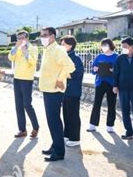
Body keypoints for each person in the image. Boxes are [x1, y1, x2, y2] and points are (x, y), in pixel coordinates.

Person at [39, 27, 75, 161]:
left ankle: (59, 152)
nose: (42, 37)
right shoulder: (48, 49)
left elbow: (70, 66)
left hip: (54, 90)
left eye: (45, 35)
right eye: (41, 35)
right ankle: (55, 146)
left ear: (53, 36)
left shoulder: (58, 50)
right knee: (51, 120)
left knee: (54, 121)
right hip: (48, 89)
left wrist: (60, 79)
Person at [8, 30, 40, 139]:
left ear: (27, 38)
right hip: (17, 78)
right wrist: (16, 48)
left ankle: (36, 127)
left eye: (22, 37)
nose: (20, 40)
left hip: (27, 79)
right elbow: (10, 57)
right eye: (18, 38)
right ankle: (22, 130)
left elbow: (32, 62)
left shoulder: (33, 48)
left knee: (27, 104)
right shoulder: (16, 49)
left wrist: (25, 52)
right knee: (18, 105)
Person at [87, 38, 118, 133]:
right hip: (100, 83)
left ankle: (110, 125)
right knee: (97, 103)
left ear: (110, 45)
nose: (104, 47)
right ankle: (92, 125)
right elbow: (92, 70)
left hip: (112, 84)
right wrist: (95, 69)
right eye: (102, 45)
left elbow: (120, 71)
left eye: (106, 45)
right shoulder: (99, 56)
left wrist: (114, 71)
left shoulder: (117, 57)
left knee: (112, 104)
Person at [60, 35, 84, 147]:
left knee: (73, 114)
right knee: (66, 113)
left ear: (70, 45)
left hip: (73, 91)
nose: (61, 46)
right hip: (64, 90)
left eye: (63, 44)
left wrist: (61, 74)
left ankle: (75, 138)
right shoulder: (63, 56)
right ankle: (67, 134)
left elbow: (76, 74)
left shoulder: (76, 58)